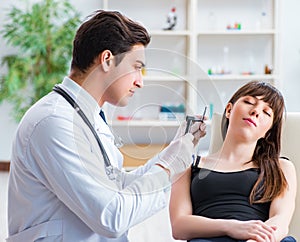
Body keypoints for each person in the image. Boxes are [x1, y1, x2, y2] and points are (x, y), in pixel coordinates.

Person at [6, 10, 206, 242]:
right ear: (107, 60)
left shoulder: (88, 116)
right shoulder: (54, 122)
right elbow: (112, 216)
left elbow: (118, 184)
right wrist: (168, 167)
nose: (140, 81)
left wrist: (171, 154)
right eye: (137, 67)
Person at [169, 81, 297, 242]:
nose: (255, 111)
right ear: (229, 110)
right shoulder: (188, 163)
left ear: (268, 132)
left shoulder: (282, 167)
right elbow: (179, 226)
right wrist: (232, 227)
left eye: (266, 112)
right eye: (249, 102)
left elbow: (280, 221)